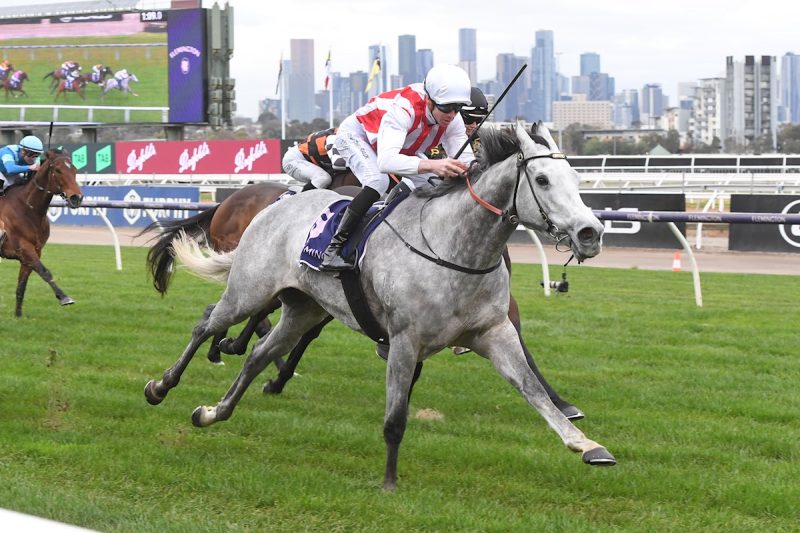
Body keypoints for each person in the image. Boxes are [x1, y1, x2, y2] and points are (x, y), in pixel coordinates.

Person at [319, 64, 475, 271]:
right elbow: (386, 162)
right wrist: (435, 165)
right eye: (447, 108)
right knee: (378, 180)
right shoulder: (405, 109)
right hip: (357, 136)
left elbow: (467, 162)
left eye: (458, 108)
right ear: (429, 100)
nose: (452, 115)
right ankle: (333, 249)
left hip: (398, 147)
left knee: (435, 186)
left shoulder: (453, 119)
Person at [426, 86, 489, 160]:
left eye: (479, 120)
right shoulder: (431, 137)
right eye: (469, 119)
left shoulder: (481, 141)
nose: (474, 125)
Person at [282, 127, 348, 191]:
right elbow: (338, 164)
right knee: (323, 178)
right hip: (295, 159)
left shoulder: (345, 135)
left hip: (311, 160)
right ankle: (300, 196)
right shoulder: (334, 138)